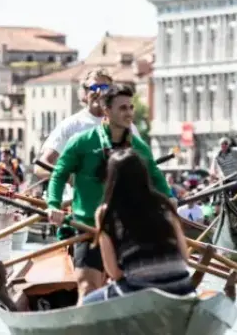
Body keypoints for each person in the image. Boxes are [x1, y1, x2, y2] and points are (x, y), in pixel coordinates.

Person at [46, 84, 173, 303]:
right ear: (106, 110)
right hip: (88, 228)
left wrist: (170, 200)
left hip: (127, 230)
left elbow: (156, 177)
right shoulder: (82, 142)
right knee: (88, 287)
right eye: (123, 108)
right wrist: (53, 205)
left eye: (131, 107)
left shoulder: (138, 147)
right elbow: (59, 175)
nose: (129, 113)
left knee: (135, 288)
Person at [82, 149, 194, 304]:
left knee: (87, 303)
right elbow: (185, 257)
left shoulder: (105, 213)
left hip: (141, 291)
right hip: (183, 288)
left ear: (111, 179)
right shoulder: (164, 204)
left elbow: (114, 272)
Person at [35, 68, 141, 180]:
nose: (98, 92)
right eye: (93, 88)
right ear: (85, 94)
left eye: (104, 88)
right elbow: (40, 168)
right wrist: (70, 178)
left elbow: (143, 164)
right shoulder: (70, 125)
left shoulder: (127, 127)